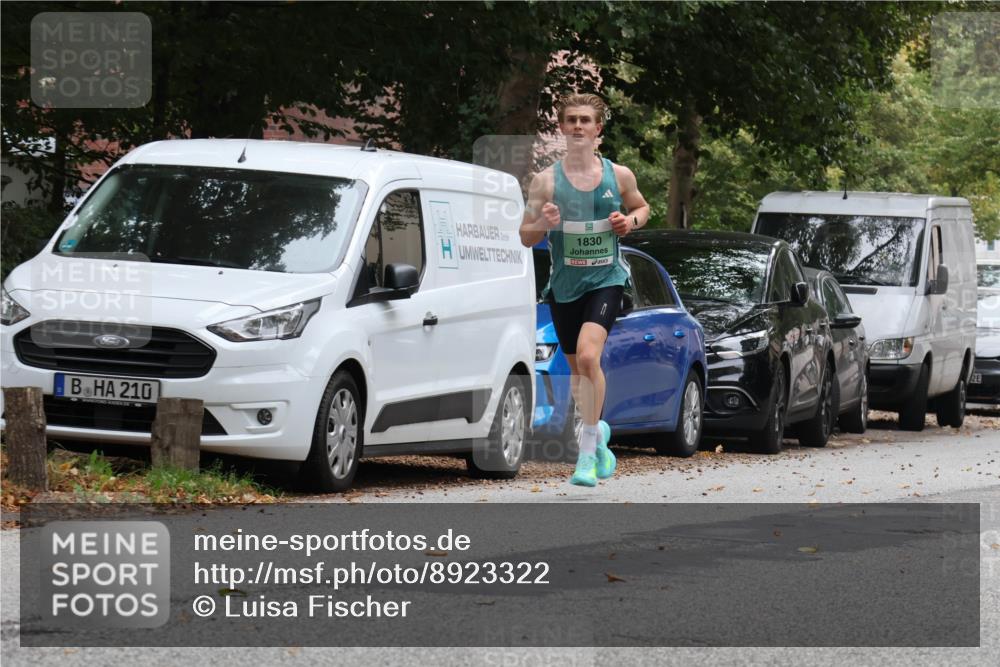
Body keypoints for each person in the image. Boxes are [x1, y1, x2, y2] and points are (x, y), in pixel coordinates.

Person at [519, 93, 650, 487]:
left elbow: (642, 208)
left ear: (598, 130)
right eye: (571, 120)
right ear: (561, 128)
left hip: (606, 279)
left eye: (585, 120)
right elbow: (526, 238)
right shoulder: (545, 181)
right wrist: (544, 220)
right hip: (564, 286)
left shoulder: (619, 175)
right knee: (578, 375)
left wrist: (629, 222)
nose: (578, 126)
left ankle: (587, 453)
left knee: (591, 357)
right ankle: (602, 437)